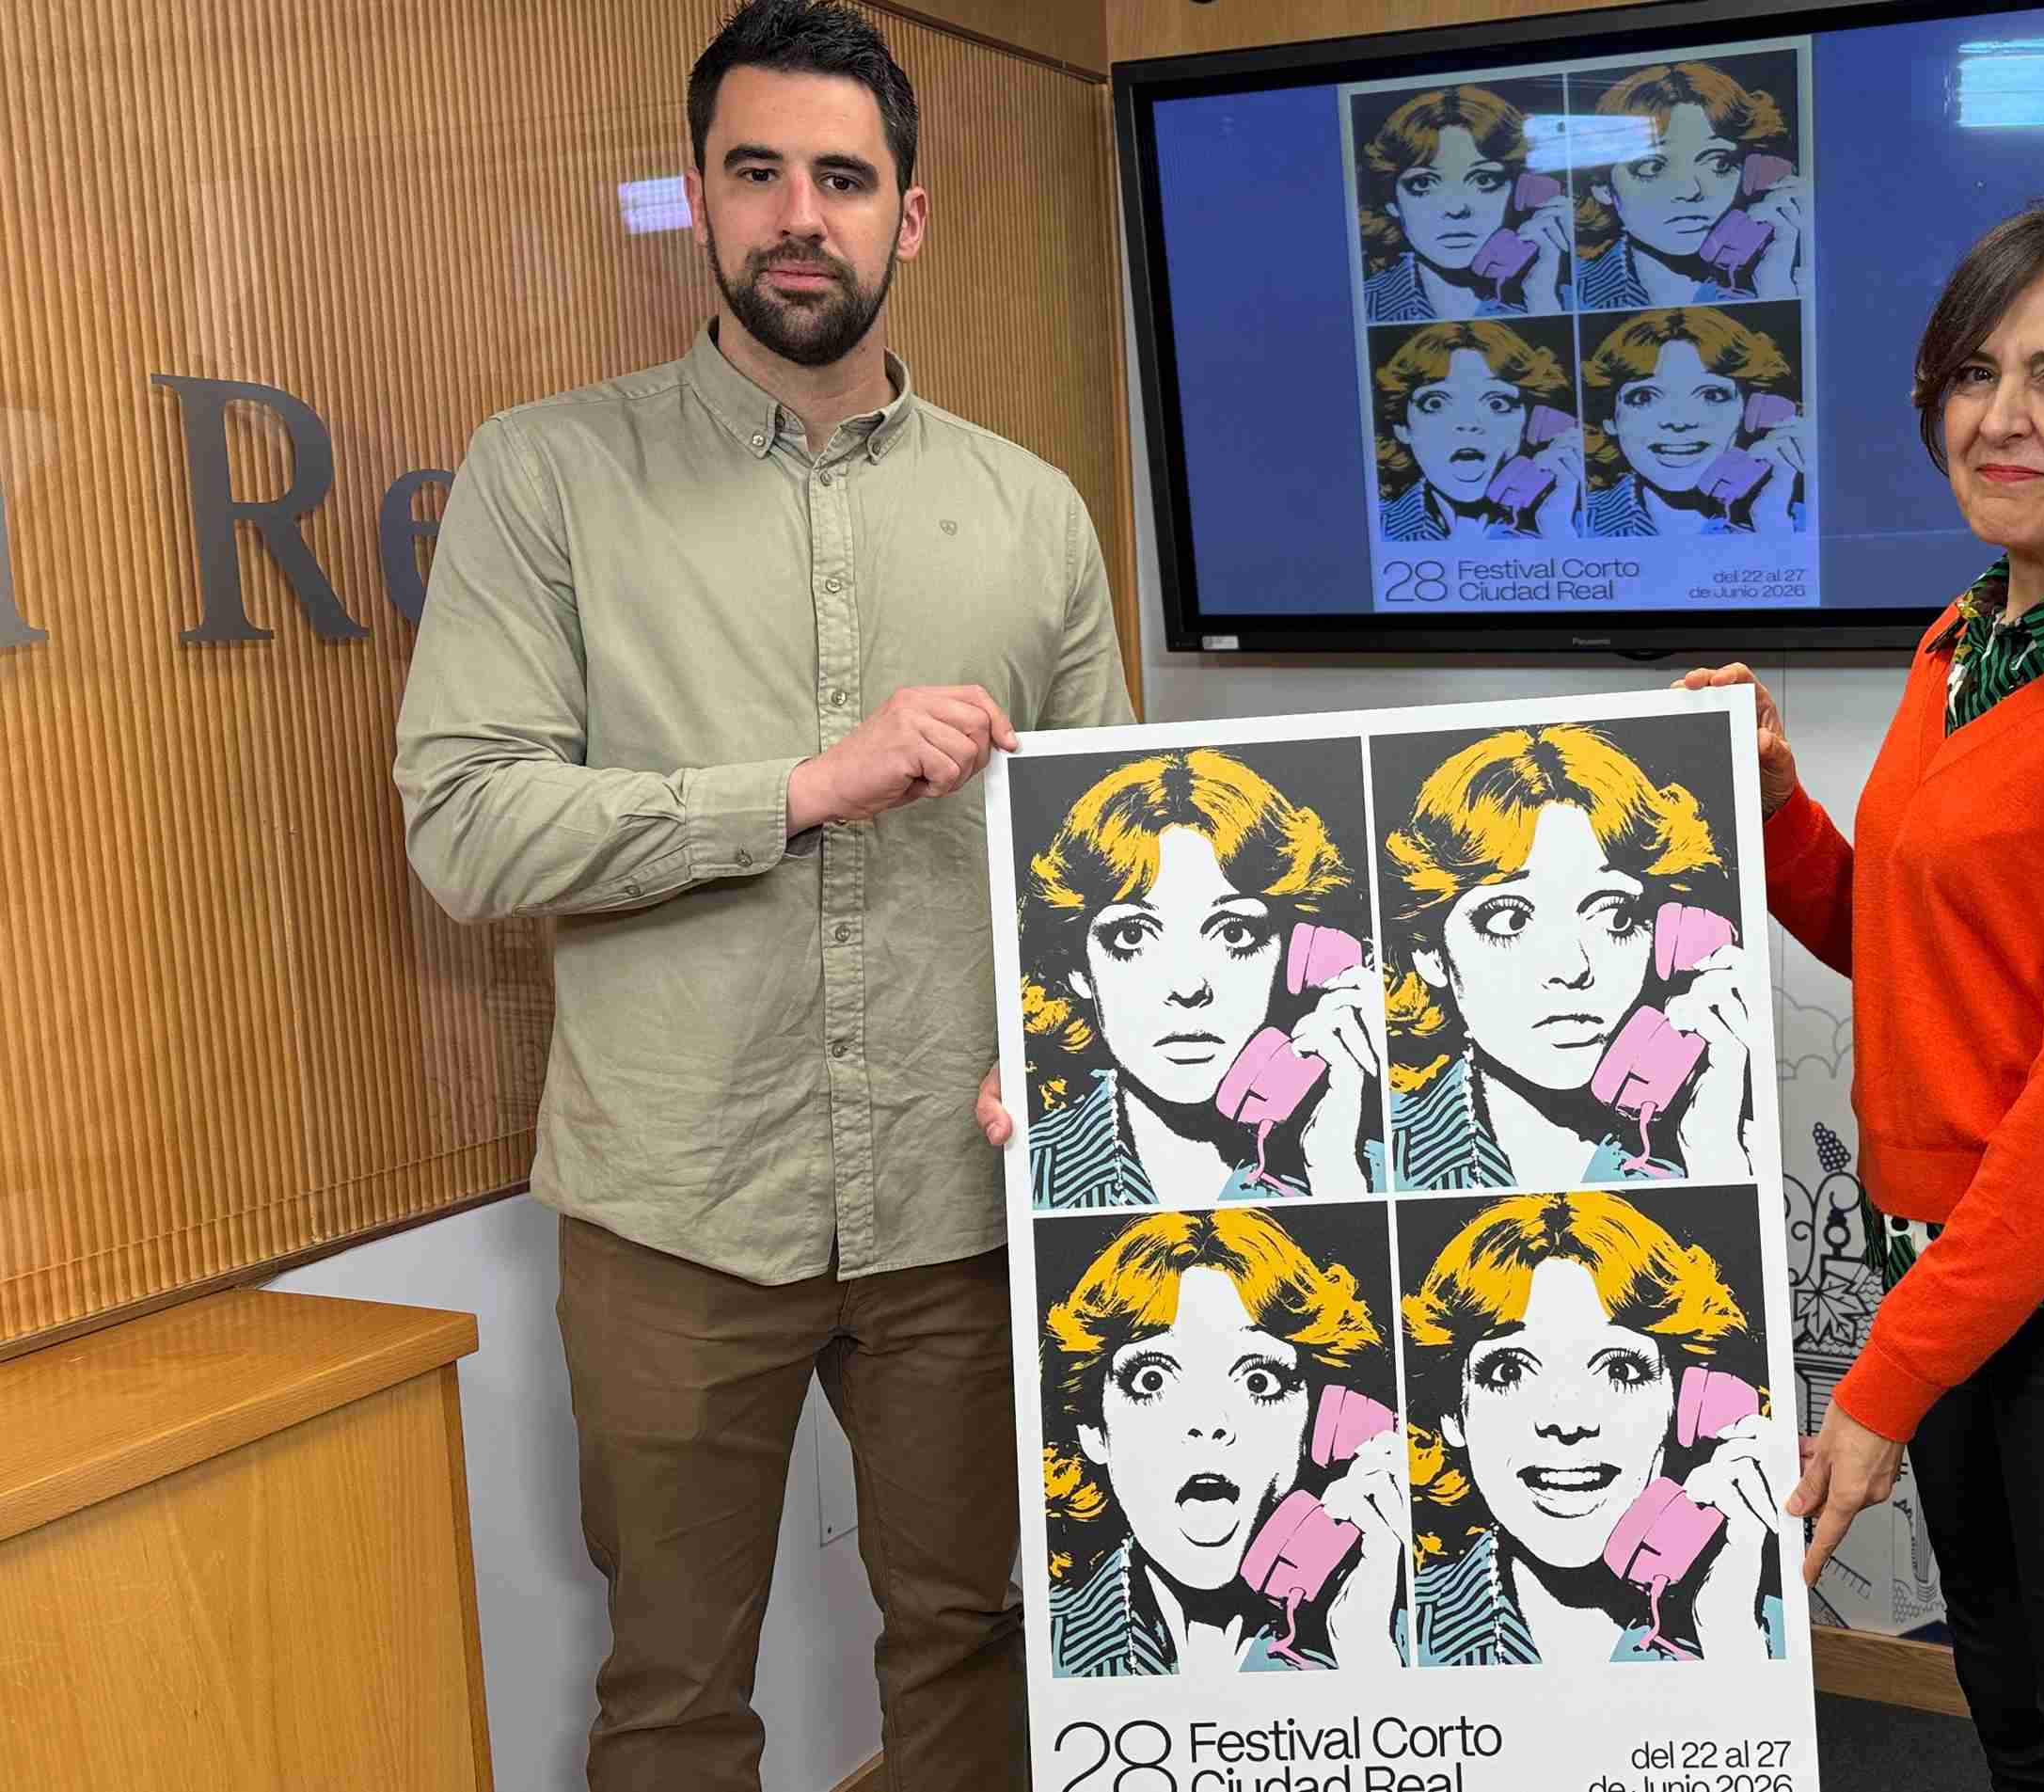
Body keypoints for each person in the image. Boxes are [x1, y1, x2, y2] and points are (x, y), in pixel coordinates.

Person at [390, 3, 1129, 1784]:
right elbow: (466, 828)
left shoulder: (1032, 514)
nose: (802, 215)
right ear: (700, 200)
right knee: (670, 1685)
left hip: (962, 1206)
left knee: (980, 1642)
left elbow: (1104, 868)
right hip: (675, 1206)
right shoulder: (548, 474)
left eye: (844, 179)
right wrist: (800, 789)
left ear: (909, 216)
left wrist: (1063, 1044)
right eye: (758, 172)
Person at [1680, 196, 2044, 1792]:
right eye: (1971, 373)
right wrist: (1775, 810)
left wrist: (1880, 1385)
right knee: (2013, 1722)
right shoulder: (1967, 637)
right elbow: (1909, 946)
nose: (2000, 418)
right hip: (1962, 1274)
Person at [1401, 1190, 1788, 1665]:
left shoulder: (1768, 1634)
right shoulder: (1380, 1636)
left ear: (1685, 1404)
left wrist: (1732, 1639)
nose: (1567, 1422)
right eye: (1509, 1371)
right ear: (1453, 1415)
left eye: (1620, 1369)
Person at [1380, 723, 1760, 1191]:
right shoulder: (1370, 1157)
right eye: (1510, 920)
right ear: (1430, 954)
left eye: (1615, 916)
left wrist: (1716, 1159)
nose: (1572, 968)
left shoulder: (1727, 1146)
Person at [1042, 1209, 1411, 1675]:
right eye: (1152, 1379)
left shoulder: (1406, 1635)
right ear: (1094, 1431)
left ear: (1318, 1423)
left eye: (1259, 1381)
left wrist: (1366, 1652)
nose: (1209, 1423)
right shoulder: (1044, 1641)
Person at [1014, 750, 1384, 1208]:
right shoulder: (1029, 1171)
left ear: (1294, 958)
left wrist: (1334, 1172)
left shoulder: (1374, 1161)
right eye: (1132, 936)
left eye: (1234, 933)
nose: (1188, 988)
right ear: (1078, 969)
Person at [1575, 61, 1808, 309]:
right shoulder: (1566, 293)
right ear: (1602, 185)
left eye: (1719, 163)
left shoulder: (1791, 280)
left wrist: (1775, 291)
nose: (1690, 191)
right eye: (1652, 167)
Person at [1581, 308, 1810, 537]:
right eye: (1644, 397)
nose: (1679, 422)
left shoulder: (1803, 519)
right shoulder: (1572, 520)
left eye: (1711, 395)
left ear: (1751, 410)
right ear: (1609, 418)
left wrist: (1772, 524)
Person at [1357, 85, 1571, 322]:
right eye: (1423, 183)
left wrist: (1541, 301)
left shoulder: (1565, 297)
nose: (1456, 209)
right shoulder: (1361, 306)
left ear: (1522, 188)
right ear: (1392, 201)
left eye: (1483, 180)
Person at [1371, 320, 1584, 541]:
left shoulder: (1579, 524)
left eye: (1497, 404)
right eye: (1435, 403)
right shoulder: (1374, 527)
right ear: (1402, 426)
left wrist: (1557, 529)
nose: (1469, 423)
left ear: (1530, 422)